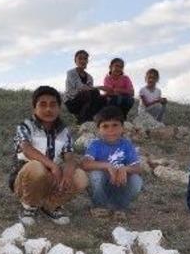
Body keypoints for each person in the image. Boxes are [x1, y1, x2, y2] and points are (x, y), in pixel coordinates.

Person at [10, 86, 88, 226]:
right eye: (43, 104)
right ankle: (29, 206)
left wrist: (68, 174)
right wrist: (53, 166)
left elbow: (70, 157)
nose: (48, 109)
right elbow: (27, 149)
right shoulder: (25, 126)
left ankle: (50, 205)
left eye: (53, 105)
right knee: (36, 166)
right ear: (34, 108)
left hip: (52, 180)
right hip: (26, 181)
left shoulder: (64, 131)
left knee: (80, 177)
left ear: (59, 108)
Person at [81, 106, 143, 219]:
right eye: (105, 126)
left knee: (136, 180)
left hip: (120, 184)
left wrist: (124, 168)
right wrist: (107, 166)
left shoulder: (127, 144)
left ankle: (120, 208)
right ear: (98, 129)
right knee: (96, 175)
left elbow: (138, 168)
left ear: (122, 127)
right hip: (101, 186)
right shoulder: (95, 144)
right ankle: (99, 206)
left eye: (115, 125)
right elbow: (85, 164)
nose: (111, 130)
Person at [64, 50, 106, 124]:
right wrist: (100, 87)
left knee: (103, 99)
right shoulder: (71, 73)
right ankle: (82, 120)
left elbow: (91, 92)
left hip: (84, 100)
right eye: (80, 58)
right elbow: (81, 87)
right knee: (92, 92)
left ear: (87, 61)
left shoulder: (89, 77)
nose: (83, 61)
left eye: (85, 59)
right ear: (75, 61)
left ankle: (91, 119)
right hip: (72, 101)